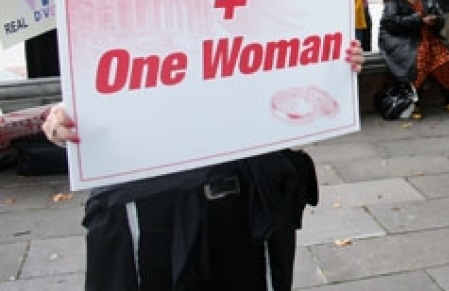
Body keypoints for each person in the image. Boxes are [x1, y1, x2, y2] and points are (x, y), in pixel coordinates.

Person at [43, 40, 366, 291]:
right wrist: (70, 115)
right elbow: (103, 71)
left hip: (243, 206)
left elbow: (281, 71)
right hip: (152, 211)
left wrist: (331, 65)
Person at [378, 0, 449, 118]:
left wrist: (435, 20)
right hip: (404, 39)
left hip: (428, 37)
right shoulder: (394, 0)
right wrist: (418, 19)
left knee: (446, 59)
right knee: (420, 61)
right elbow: (390, 23)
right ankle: (415, 104)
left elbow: (440, 18)